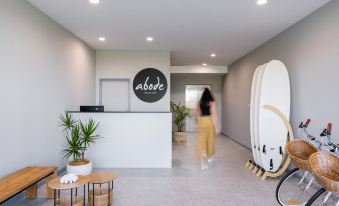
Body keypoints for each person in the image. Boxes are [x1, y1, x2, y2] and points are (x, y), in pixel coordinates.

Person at [196, 88, 219, 170]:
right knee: (210, 140)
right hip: (209, 121)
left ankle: (202, 160)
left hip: (202, 122)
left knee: (202, 141)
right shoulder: (212, 102)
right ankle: (209, 157)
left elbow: (198, 114)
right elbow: (214, 115)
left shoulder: (199, 103)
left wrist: (198, 124)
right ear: (210, 94)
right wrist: (216, 127)